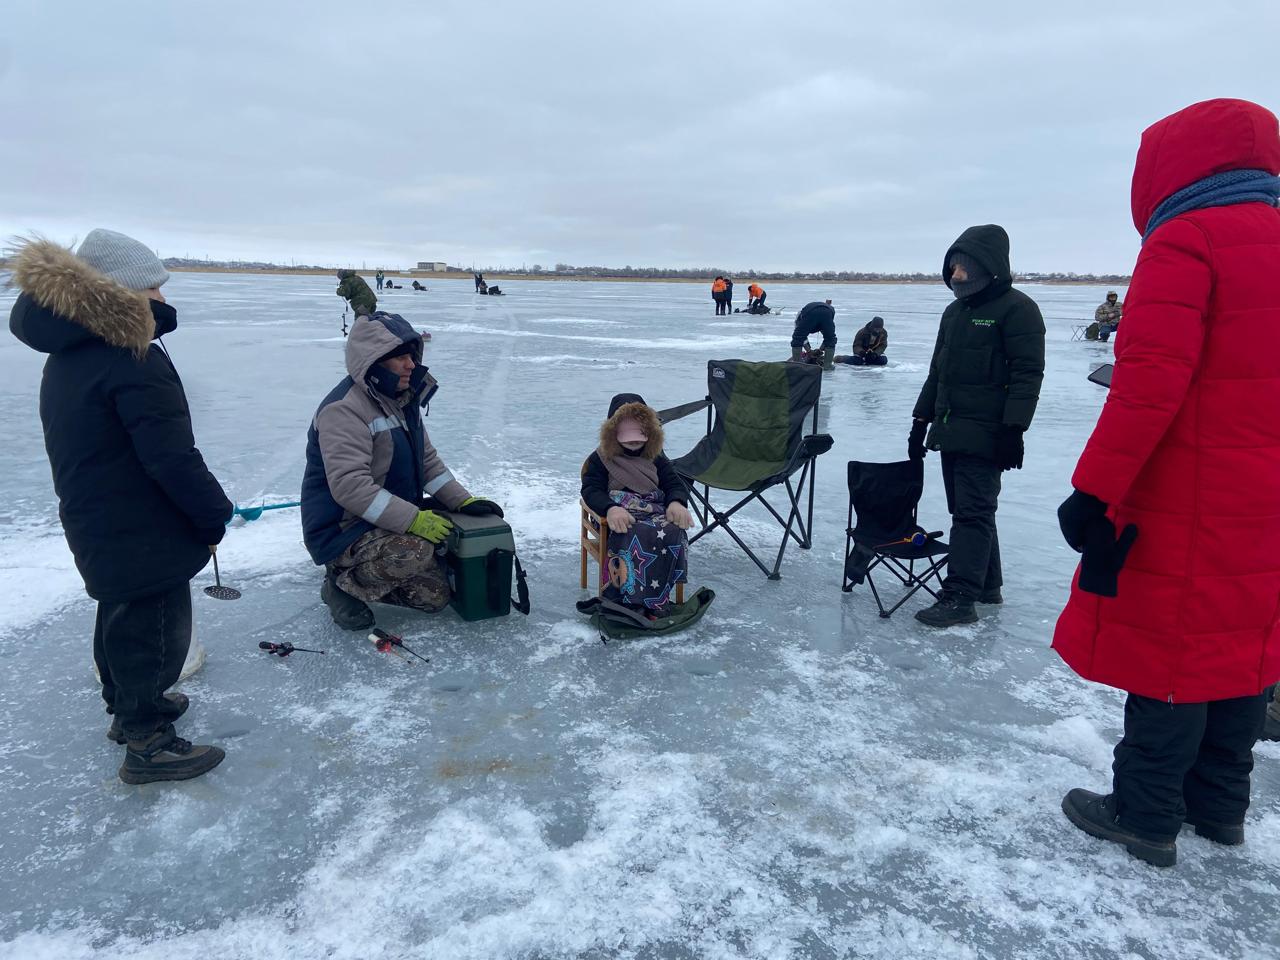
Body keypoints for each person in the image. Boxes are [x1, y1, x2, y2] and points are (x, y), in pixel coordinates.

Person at [1052, 98, 1280, 868]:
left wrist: (1093, 492)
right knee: (1243, 647)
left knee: (1174, 650)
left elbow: (1148, 387)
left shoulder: (1187, 240)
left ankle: (1144, 813)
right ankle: (1219, 808)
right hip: (1267, 500)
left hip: (1189, 494)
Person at [8, 231, 233, 784]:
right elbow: (172, 457)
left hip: (99, 515)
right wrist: (213, 513)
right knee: (154, 629)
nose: (163, 296)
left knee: (120, 612)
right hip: (141, 522)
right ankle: (148, 740)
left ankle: (126, 708)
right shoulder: (130, 359)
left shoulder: (71, 353)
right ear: (124, 293)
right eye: (154, 287)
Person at [301, 312, 504, 630]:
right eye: (400, 358)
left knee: (435, 598)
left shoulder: (401, 399)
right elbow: (351, 487)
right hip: (344, 530)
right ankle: (340, 583)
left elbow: (427, 462)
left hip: (387, 517)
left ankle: (376, 573)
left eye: (412, 356)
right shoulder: (343, 410)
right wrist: (414, 520)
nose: (411, 365)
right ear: (374, 363)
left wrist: (461, 501)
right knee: (415, 552)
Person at [908, 225, 1045, 627]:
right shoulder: (954, 313)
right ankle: (987, 585)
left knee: (972, 513)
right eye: (952, 267)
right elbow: (937, 373)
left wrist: (1014, 429)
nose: (956, 275)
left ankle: (961, 597)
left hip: (988, 432)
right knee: (970, 510)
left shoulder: (1017, 309)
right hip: (950, 428)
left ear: (987, 266)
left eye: (963, 267)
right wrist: (920, 421)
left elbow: (1027, 374)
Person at [581, 394, 694, 612]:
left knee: (674, 531)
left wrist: (676, 502)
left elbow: (674, 483)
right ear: (612, 432)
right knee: (630, 531)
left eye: (639, 435)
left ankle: (657, 597)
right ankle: (626, 598)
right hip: (615, 514)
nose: (634, 442)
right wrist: (610, 508)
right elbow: (590, 490)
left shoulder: (656, 457)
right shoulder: (601, 459)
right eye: (627, 435)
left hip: (653, 510)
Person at [790, 299, 837, 369]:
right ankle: (828, 365)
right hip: (828, 312)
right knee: (830, 338)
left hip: (811, 312)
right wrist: (818, 350)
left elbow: (799, 337)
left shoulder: (800, 318)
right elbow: (829, 338)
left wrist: (810, 351)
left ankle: (798, 365)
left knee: (798, 337)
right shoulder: (801, 316)